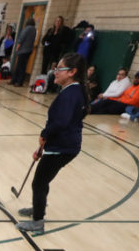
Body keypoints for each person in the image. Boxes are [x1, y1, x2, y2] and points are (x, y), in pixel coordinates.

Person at [16, 53, 89, 234]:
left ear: (72, 72)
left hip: (62, 147)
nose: (55, 72)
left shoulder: (70, 94)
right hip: (63, 146)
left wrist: (44, 135)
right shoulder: (74, 91)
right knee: (44, 180)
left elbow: (60, 122)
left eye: (60, 69)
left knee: (39, 183)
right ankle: (38, 207)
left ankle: (38, 221)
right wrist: (43, 147)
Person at [11, 17, 37, 87]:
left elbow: (21, 38)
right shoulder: (34, 29)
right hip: (29, 50)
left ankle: (16, 81)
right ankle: (18, 81)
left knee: (19, 66)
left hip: (23, 50)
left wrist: (17, 47)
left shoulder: (27, 28)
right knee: (23, 66)